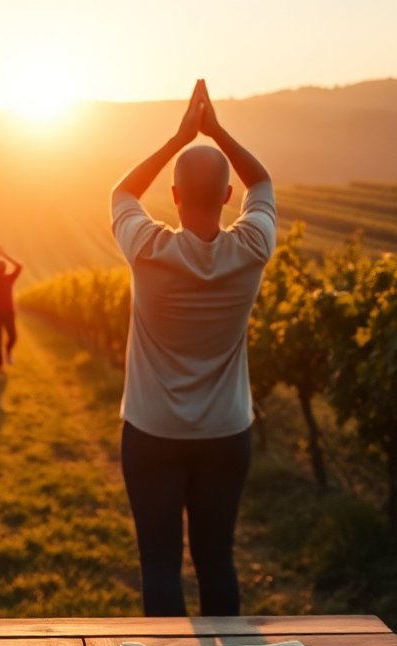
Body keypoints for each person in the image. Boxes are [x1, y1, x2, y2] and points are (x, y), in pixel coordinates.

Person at [110, 79, 275, 617]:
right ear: (228, 197)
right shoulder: (252, 248)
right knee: (217, 561)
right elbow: (263, 180)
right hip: (226, 433)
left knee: (159, 564)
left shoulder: (149, 249)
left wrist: (177, 138)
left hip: (151, 431)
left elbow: (123, 193)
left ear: (175, 197)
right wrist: (216, 132)